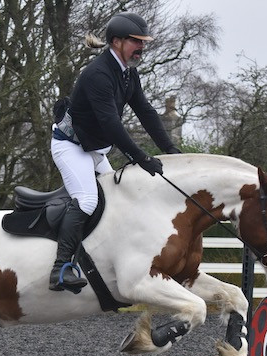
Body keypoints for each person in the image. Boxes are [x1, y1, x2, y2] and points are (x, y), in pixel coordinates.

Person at [49, 11, 181, 292]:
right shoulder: (98, 74)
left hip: (93, 149)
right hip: (70, 147)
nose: (142, 47)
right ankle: (60, 269)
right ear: (117, 42)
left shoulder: (127, 74)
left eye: (144, 42)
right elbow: (110, 123)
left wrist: (170, 149)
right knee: (86, 200)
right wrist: (141, 157)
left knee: (117, 202)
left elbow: (145, 112)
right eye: (137, 41)